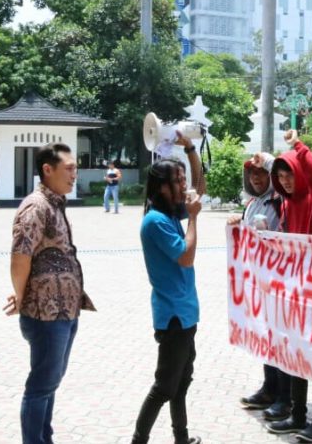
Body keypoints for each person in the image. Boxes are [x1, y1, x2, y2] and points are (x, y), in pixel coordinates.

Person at [5, 143, 95, 444]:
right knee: (41, 385)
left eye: (75, 168)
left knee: (50, 383)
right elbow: (20, 255)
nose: (74, 174)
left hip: (65, 310)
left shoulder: (54, 204)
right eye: (69, 168)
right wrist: (20, 296)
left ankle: (44, 438)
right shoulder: (36, 207)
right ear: (47, 169)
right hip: (45, 313)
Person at [131, 135, 206, 444]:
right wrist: (194, 219)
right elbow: (186, 257)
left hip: (185, 312)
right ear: (162, 187)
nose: (185, 185)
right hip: (173, 316)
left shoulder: (171, 213)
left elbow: (199, 187)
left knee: (181, 384)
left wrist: (190, 149)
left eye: (183, 179)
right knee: (164, 387)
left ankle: (181, 438)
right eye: (178, 180)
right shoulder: (156, 221)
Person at [266, 129, 312, 443]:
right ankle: (297, 415)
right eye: (280, 177)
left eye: (289, 174)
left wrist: (298, 145)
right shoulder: (286, 204)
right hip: (294, 292)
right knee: (297, 353)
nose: (286, 181)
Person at [230, 152, 288, 415]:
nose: (255, 177)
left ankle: (285, 396)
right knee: (266, 335)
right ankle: (269, 388)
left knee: (282, 340)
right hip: (259, 282)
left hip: (279, 281)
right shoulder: (253, 203)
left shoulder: (280, 200)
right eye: (252, 173)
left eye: (261, 172)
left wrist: (269, 161)